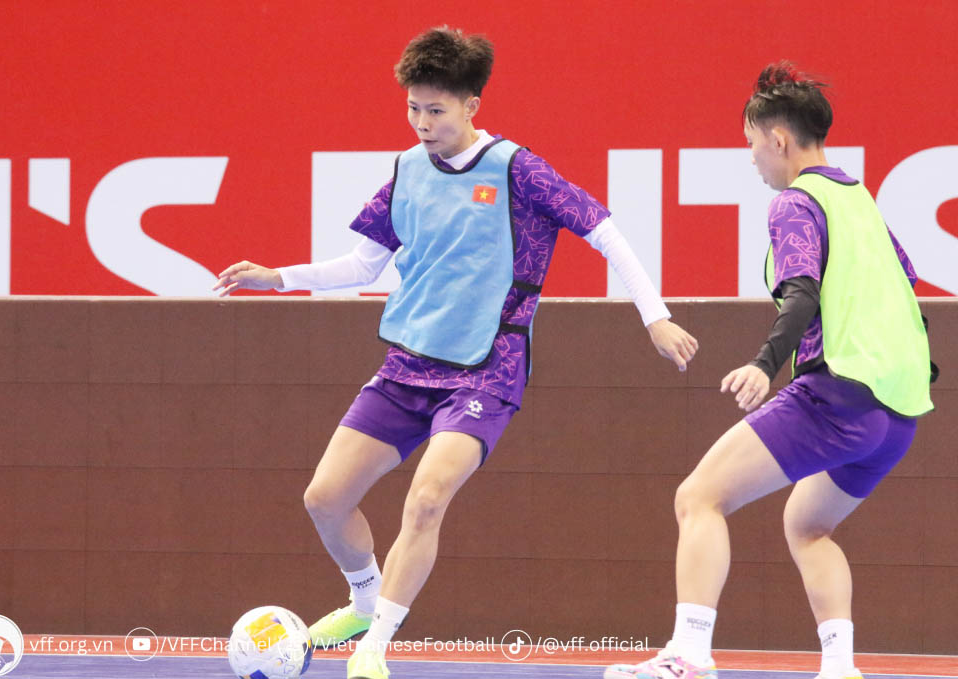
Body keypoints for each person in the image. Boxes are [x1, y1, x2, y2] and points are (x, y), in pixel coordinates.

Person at [215, 26, 698, 679]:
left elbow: (603, 230)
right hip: (408, 363)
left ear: (472, 105)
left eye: (436, 109)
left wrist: (656, 316)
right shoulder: (406, 170)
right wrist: (278, 276)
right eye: (413, 106)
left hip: (487, 367)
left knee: (426, 499)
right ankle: (364, 601)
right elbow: (363, 263)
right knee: (324, 497)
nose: (421, 122)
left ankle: (375, 646)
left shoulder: (517, 169)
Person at [603, 61, 934, 679]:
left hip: (837, 396)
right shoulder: (859, 199)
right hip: (899, 414)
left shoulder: (795, 202)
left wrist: (764, 364)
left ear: (777, 139)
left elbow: (802, 292)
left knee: (698, 497)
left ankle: (689, 653)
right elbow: (904, 278)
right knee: (808, 526)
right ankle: (840, 665)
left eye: (752, 144)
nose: (752, 158)